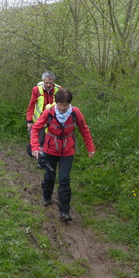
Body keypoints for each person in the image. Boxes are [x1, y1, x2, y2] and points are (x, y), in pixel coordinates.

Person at [30, 88, 95, 222]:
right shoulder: (49, 112)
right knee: (49, 176)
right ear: (56, 103)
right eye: (60, 105)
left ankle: (64, 211)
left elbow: (84, 129)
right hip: (50, 149)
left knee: (64, 179)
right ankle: (46, 197)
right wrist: (35, 147)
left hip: (67, 150)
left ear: (69, 104)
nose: (62, 108)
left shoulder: (75, 112)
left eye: (65, 105)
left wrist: (90, 147)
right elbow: (36, 128)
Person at [26, 71, 62, 163]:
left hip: (53, 120)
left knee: (50, 142)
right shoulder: (36, 90)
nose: (49, 85)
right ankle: (40, 159)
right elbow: (31, 106)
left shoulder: (59, 89)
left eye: (51, 82)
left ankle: (45, 161)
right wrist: (29, 121)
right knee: (39, 141)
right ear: (43, 81)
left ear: (53, 81)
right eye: (46, 83)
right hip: (39, 120)